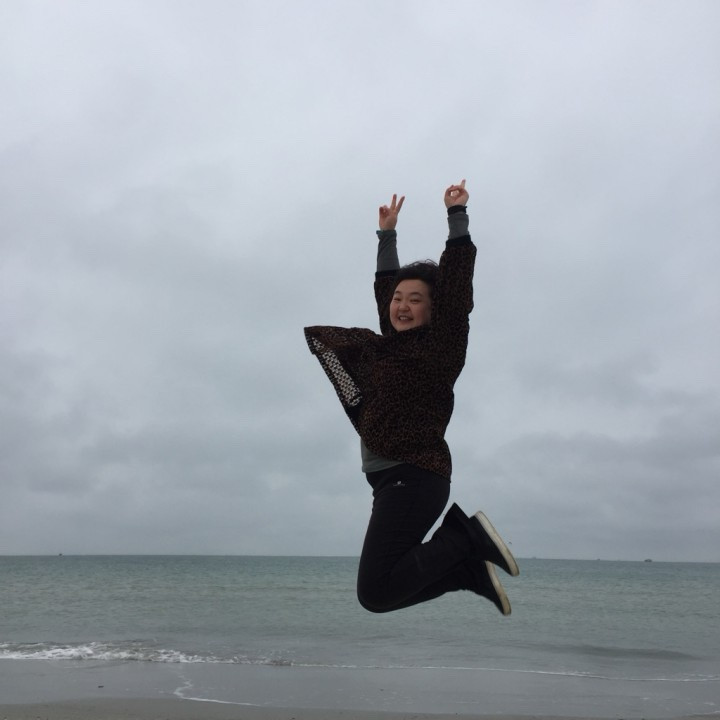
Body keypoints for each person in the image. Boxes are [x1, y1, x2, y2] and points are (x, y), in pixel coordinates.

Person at [304, 180, 519, 615]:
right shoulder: (392, 345)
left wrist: (457, 217)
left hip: (415, 476)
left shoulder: (441, 345)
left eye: (415, 299)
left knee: (375, 592)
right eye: (399, 300)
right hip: (390, 481)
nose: (402, 305)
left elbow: (456, 288)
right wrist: (387, 236)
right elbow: (386, 286)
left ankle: (466, 538)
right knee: (380, 592)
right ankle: (468, 572)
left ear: (434, 308)